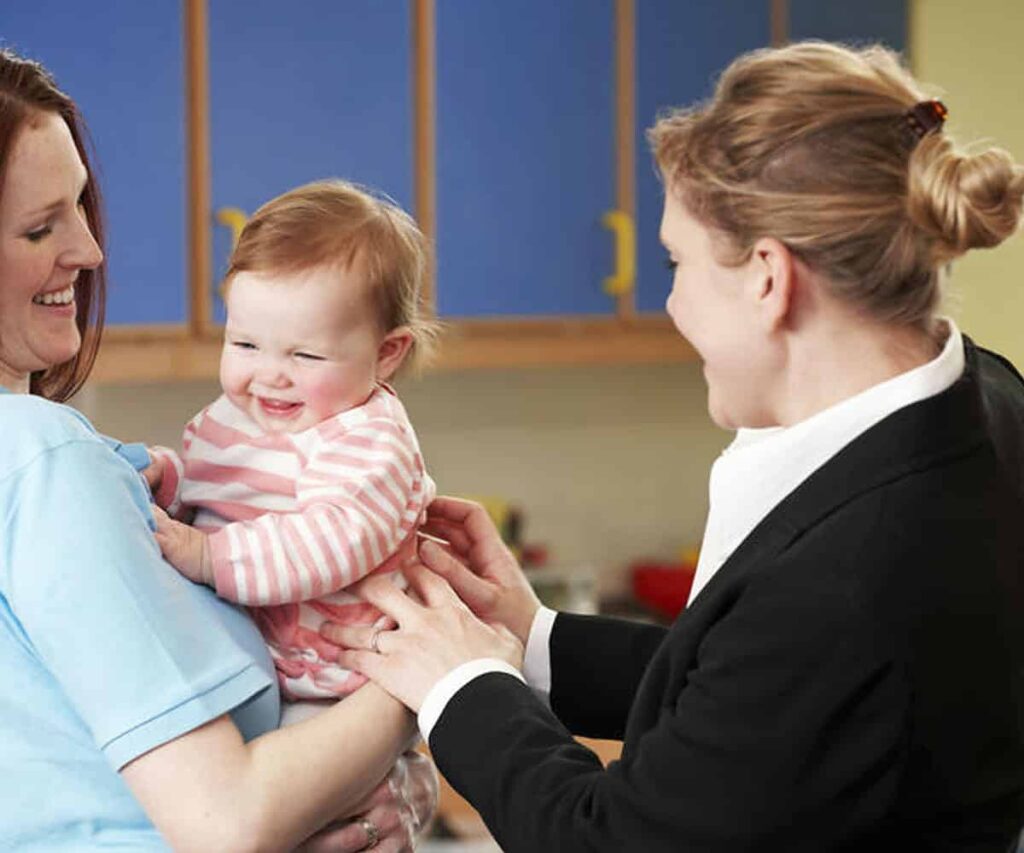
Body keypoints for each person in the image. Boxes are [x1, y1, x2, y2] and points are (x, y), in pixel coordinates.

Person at [320, 42, 1024, 851]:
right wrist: (532, 636)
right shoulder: (987, 397)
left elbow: (620, 839)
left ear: (768, 276)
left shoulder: (851, 575)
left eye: (676, 262)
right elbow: (760, 696)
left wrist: (461, 683)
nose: (672, 303)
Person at [0, 48, 436, 851]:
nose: (92, 251)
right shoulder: (39, 458)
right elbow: (226, 823)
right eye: (39, 226)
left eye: (80, 208)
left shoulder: (68, 466)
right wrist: (426, 674)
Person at [147, 180, 437, 715]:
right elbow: (210, 488)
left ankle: (395, 798)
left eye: (304, 355)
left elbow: (332, 539)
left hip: (337, 682)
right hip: (257, 667)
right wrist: (163, 479)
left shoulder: (370, 442)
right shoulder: (236, 415)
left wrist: (208, 555)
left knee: (340, 795)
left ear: (387, 353)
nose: (269, 376)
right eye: (245, 344)